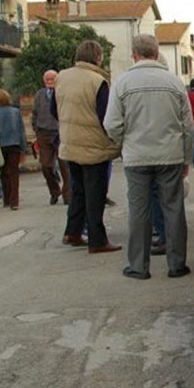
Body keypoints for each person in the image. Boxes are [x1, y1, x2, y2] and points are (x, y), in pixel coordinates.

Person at [104, 33, 193, 279]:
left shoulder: (122, 83)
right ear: (156, 53)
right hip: (170, 155)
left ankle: (138, 266)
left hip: (137, 156)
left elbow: (111, 124)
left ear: (133, 55)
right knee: (173, 209)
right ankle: (177, 264)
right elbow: (188, 126)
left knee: (139, 211)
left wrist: (124, 142)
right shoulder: (175, 83)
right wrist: (186, 159)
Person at [53, 40, 122, 254]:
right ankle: (97, 240)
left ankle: (72, 231)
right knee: (95, 194)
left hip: (69, 141)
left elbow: (54, 109)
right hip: (94, 145)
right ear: (98, 57)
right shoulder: (97, 81)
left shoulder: (62, 77)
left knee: (78, 190)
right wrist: (114, 139)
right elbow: (106, 116)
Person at [0, 89, 27, 210]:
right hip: (14, 145)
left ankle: (6, 199)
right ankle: (14, 201)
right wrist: (24, 148)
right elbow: (21, 131)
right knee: (14, 173)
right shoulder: (16, 112)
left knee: (3, 173)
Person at [32, 69, 70, 205]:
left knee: (65, 166)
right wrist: (36, 128)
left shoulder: (63, 92)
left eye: (52, 79)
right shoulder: (39, 94)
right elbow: (35, 113)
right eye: (47, 79)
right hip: (44, 133)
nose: (49, 82)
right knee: (46, 165)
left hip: (60, 133)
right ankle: (54, 191)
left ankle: (68, 195)